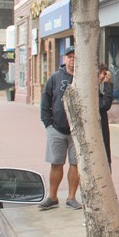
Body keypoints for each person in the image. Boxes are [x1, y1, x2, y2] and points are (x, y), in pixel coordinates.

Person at [38, 45, 82, 211]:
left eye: (75, 57)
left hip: (77, 132)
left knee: (75, 164)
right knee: (56, 163)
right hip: (56, 129)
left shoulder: (82, 78)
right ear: (64, 59)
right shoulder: (55, 77)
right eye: (69, 56)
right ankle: (52, 197)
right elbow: (46, 100)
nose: (72, 59)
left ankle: (71, 197)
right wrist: (48, 124)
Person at [99, 64, 113, 168]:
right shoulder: (90, 91)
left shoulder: (97, 90)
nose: (102, 76)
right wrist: (108, 84)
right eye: (99, 73)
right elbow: (104, 105)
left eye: (103, 73)